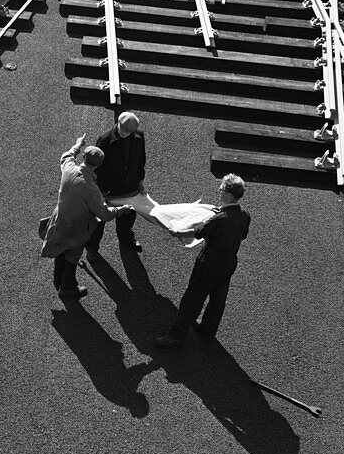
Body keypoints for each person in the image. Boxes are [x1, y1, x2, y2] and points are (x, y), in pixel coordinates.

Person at [154, 174, 252, 348]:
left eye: (221, 189)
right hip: (229, 261)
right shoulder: (244, 215)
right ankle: (208, 331)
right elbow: (242, 235)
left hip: (209, 262)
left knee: (193, 297)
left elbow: (198, 231)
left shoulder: (219, 219)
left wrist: (177, 233)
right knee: (218, 298)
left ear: (229, 195)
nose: (219, 191)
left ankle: (176, 336)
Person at [41, 135, 132, 300]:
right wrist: (121, 210)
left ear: (83, 157)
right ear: (99, 165)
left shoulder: (69, 168)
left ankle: (58, 280)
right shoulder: (91, 188)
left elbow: (67, 155)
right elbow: (104, 214)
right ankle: (67, 288)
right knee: (72, 256)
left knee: (60, 250)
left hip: (59, 220)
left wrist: (77, 144)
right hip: (77, 228)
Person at [84, 111, 146, 260]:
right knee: (99, 221)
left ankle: (126, 239)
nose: (124, 133)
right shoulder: (104, 140)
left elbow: (141, 159)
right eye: (123, 129)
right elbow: (98, 168)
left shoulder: (138, 136)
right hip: (108, 190)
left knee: (127, 218)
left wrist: (140, 180)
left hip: (130, 187)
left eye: (128, 132)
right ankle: (92, 248)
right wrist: (102, 190)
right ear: (118, 123)